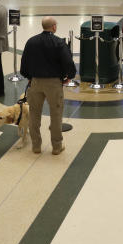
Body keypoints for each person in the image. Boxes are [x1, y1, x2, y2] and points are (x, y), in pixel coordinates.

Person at [20, 16, 77, 155]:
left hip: (35, 83)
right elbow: (68, 62)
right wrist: (69, 76)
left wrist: (29, 77)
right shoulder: (58, 42)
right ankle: (56, 147)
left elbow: (24, 63)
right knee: (56, 114)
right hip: (54, 84)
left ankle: (36, 146)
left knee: (34, 114)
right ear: (54, 27)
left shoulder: (31, 42)